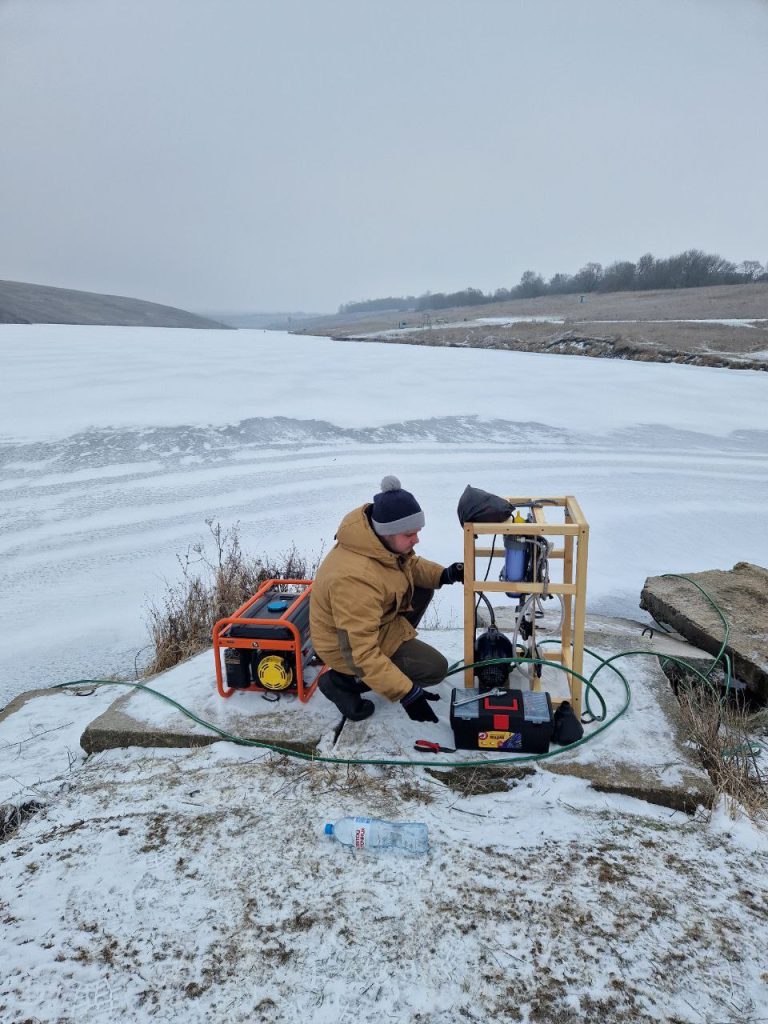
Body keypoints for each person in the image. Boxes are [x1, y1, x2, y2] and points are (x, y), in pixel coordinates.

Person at [310, 476, 464, 723]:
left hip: (370, 625)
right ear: (387, 533)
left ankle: (390, 657)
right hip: (343, 648)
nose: (416, 540)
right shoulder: (355, 578)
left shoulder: (378, 544)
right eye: (410, 534)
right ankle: (342, 682)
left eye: (417, 532)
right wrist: (407, 693)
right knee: (434, 669)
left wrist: (444, 574)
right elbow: (360, 652)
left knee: (424, 587)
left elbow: (407, 565)